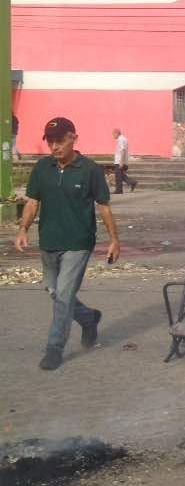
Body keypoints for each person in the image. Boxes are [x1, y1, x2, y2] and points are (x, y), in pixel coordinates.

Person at [15, 117, 121, 370]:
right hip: (49, 241)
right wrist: (23, 229)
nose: (54, 146)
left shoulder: (90, 170)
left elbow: (104, 207)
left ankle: (54, 348)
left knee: (63, 295)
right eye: (50, 141)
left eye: (59, 141)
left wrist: (115, 240)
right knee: (54, 292)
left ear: (73, 137)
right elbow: (32, 201)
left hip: (78, 242)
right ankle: (88, 318)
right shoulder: (42, 168)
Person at [111, 128, 137, 193]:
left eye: (113, 134)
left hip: (120, 161)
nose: (113, 136)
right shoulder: (124, 139)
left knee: (118, 176)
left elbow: (123, 150)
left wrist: (121, 162)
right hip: (123, 160)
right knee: (121, 175)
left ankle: (119, 190)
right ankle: (132, 182)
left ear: (116, 133)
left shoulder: (120, 139)